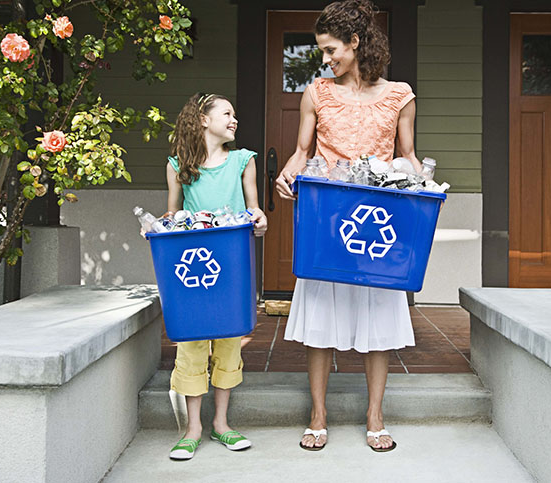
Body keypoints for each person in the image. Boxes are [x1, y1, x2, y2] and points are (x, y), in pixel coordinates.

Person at [275, 0, 422, 452]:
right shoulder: (317, 92)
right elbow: (303, 150)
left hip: (378, 224)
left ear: (355, 42)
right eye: (321, 51)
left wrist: (425, 182)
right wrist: (288, 170)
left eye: (330, 48)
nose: (325, 58)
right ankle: (317, 414)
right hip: (328, 219)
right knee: (320, 320)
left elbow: (408, 156)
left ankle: (375, 416)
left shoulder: (400, 95)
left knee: (378, 317)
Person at [166, 92, 267, 460]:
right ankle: (193, 428)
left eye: (235, 114)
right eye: (227, 113)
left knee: (228, 342)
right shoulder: (179, 164)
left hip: (232, 266)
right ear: (204, 120)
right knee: (192, 343)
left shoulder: (243, 161)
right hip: (194, 269)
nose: (234, 119)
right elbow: (172, 216)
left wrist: (260, 219)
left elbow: (254, 208)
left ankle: (220, 424)